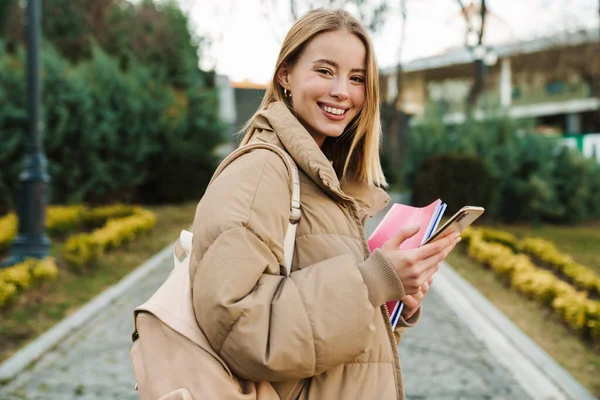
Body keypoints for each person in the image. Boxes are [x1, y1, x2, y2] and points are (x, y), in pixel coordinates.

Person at [189, 8, 460, 400]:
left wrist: (392, 302)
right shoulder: (262, 170)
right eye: (324, 71)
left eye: (356, 79)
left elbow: (332, 349)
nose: (342, 92)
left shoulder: (321, 181)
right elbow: (238, 328)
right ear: (286, 74)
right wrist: (371, 282)